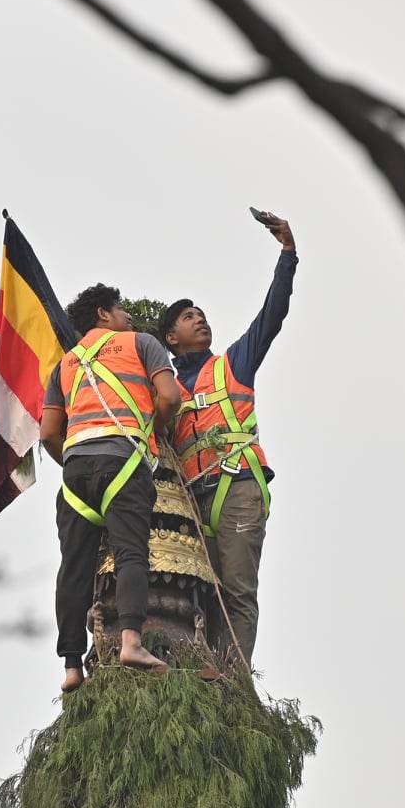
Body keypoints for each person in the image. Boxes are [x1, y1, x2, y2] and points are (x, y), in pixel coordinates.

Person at [156, 213, 298, 666]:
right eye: (187, 316)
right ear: (169, 338)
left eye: (200, 314)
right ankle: (207, 674)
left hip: (237, 487)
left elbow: (271, 316)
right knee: (203, 595)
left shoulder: (234, 363)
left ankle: (234, 682)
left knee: (237, 590)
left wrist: (287, 256)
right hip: (192, 501)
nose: (199, 319)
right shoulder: (163, 389)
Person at [41, 283, 182, 694]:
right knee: (131, 553)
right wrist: (150, 432)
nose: (128, 316)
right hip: (124, 461)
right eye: (120, 309)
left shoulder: (64, 366)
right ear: (103, 314)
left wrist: (71, 459)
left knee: (73, 568)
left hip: (75, 471)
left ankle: (71, 666)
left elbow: (49, 431)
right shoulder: (142, 344)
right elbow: (170, 398)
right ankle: (132, 643)